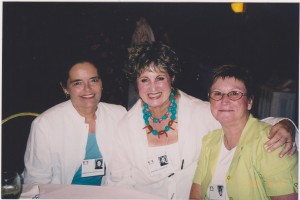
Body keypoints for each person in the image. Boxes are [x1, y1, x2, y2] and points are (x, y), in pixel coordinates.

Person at [108, 42, 297, 199]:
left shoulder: (201, 112)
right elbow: (119, 183)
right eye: (144, 80)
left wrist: (285, 124)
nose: (153, 88)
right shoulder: (126, 127)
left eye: (159, 78)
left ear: (171, 78)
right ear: (136, 83)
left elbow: (246, 124)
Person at [190, 65, 298, 199]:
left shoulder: (272, 143)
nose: (224, 100)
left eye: (234, 93)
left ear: (249, 102)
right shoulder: (209, 141)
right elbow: (196, 196)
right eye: (217, 93)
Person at [23, 59, 127, 185]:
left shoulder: (119, 114)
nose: (88, 89)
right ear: (65, 88)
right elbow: (37, 181)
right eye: (78, 83)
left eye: (93, 80)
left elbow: (126, 171)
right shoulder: (45, 125)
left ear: (101, 83)